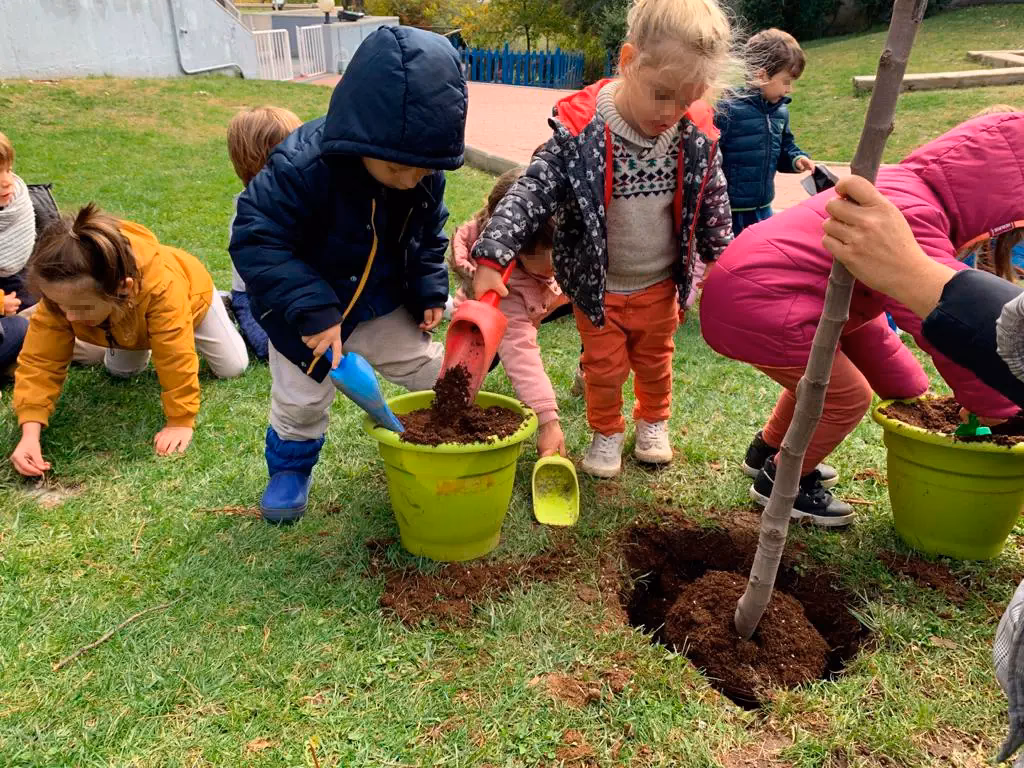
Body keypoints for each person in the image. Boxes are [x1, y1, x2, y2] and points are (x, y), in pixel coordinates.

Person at [700, 111, 1022, 526]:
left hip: (802, 297)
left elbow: (890, 303)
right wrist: (993, 404)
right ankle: (782, 480)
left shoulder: (906, 192)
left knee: (882, 381)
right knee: (843, 397)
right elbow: (941, 316)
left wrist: (918, 389)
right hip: (763, 299)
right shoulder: (912, 214)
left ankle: (767, 450)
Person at [471, 0, 735, 479]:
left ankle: (653, 422)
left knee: (655, 362)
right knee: (604, 367)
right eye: (663, 95)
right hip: (599, 288)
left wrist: (719, 257)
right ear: (629, 61)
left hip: (659, 283)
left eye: (688, 99)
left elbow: (712, 195)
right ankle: (606, 430)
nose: (673, 112)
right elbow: (531, 189)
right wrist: (494, 252)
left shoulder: (691, 133)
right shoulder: (580, 134)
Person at [230, 26, 466, 524]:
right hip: (302, 320)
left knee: (428, 367)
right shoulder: (302, 166)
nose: (413, 180)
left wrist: (428, 287)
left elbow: (427, 234)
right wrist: (312, 311)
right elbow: (256, 238)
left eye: (424, 170)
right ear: (363, 132)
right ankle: (290, 470)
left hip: (379, 303)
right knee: (301, 403)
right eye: (401, 169)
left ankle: (456, 424)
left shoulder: (422, 171)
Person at [9, 204, 248, 475]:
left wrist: (180, 420)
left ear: (124, 286)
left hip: (193, 300)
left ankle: (222, 305)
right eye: (60, 305)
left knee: (233, 367)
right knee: (121, 371)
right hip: (126, 321)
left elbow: (174, 356)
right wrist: (30, 431)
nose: (69, 317)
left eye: (81, 308)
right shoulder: (63, 295)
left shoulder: (164, 291)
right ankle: (138, 338)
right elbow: (40, 360)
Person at [821, 116, 1024, 411]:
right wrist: (997, 411)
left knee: (856, 390)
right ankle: (769, 455)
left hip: (825, 314)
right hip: (787, 309)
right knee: (848, 399)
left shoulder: (907, 192)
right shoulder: (916, 209)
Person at [450, 167, 570, 458]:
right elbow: (520, 349)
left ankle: (587, 366)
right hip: (490, 312)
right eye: (536, 256)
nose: (551, 264)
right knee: (469, 367)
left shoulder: (567, 245)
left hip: (546, 298)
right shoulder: (504, 282)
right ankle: (450, 405)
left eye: (558, 253)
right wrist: (548, 421)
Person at [715, 29, 814, 236]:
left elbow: (785, 145)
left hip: (764, 206)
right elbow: (709, 158)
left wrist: (797, 159)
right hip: (731, 211)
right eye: (786, 81)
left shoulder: (780, 111)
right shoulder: (728, 110)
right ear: (762, 76)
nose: (789, 89)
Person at [225, 106, 303, 361]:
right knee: (271, 348)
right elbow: (265, 277)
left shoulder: (306, 197)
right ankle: (225, 308)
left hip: (295, 290)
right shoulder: (247, 216)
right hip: (255, 296)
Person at [0, 131, 58, 378]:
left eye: (8, 169)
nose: (7, 181)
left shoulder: (18, 201)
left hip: (14, 284)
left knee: (46, 311)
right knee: (20, 328)